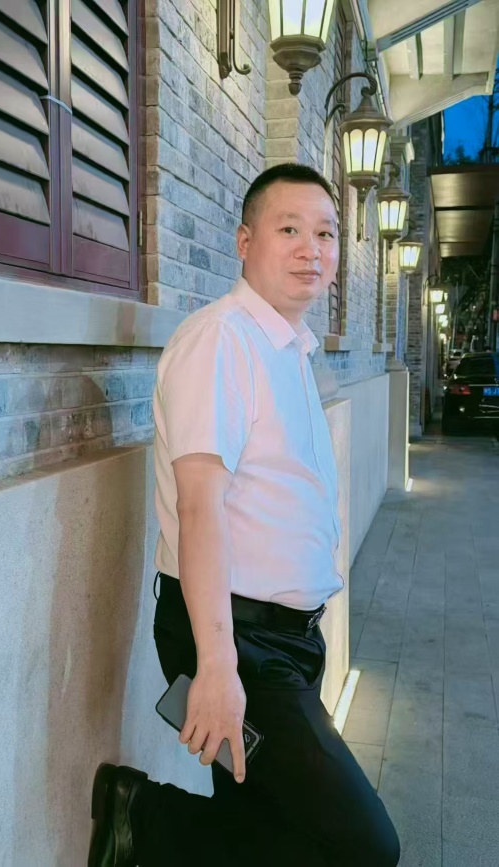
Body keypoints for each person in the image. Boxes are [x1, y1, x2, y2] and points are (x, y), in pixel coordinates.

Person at [87, 163, 401, 867]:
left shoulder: (287, 349)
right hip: (238, 641)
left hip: (286, 640)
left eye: (325, 233)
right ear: (245, 240)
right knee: (363, 845)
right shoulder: (221, 341)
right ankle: (138, 815)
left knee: (262, 822)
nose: (311, 249)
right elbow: (200, 507)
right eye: (289, 229)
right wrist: (218, 667)